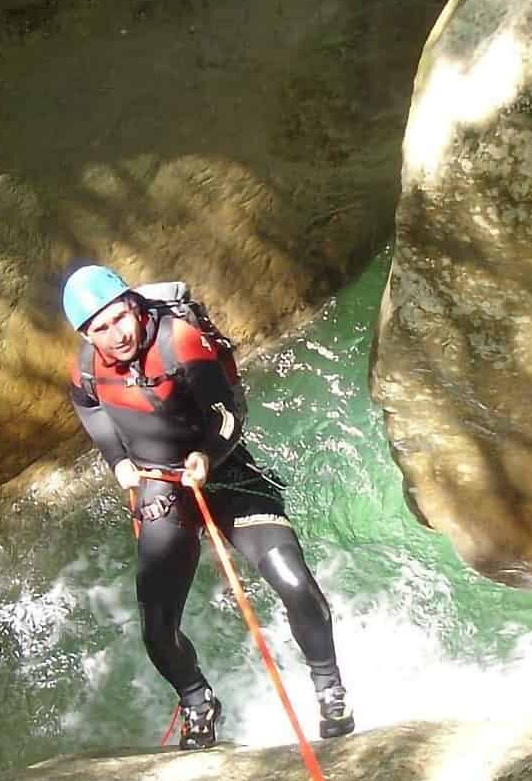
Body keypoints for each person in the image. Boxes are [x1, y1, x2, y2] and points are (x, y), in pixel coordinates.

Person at [62, 264, 354, 749]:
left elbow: (229, 412)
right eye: (100, 329)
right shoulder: (87, 367)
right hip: (160, 487)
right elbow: (89, 408)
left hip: (222, 470)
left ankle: (329, 689)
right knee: (157, 627)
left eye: (120, 318)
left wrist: (207, 456)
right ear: (87, 335)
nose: (117, 335)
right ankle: (198, 701)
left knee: (293, 579)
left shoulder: (181, 341)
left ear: (133, 305)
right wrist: (117, 461)